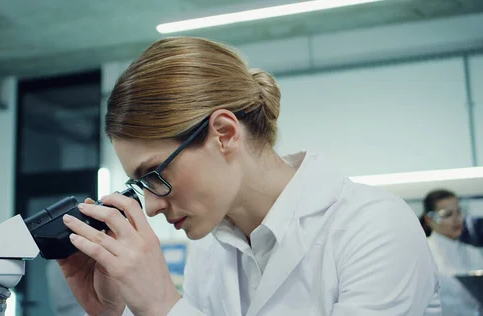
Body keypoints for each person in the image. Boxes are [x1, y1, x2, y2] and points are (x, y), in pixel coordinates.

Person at [57, 36, 441, 315]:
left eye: (155, 173)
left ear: (224, 133)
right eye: (140, 186)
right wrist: (117, 312)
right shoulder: (210, 250)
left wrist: (162, 306)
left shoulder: (375, 228)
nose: (153, 206)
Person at [420, 189, 483, 316]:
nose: (457, 219)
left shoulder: (473, 252)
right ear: (429, 219)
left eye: (459, 212)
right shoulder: (422, 253)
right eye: (447, 214)